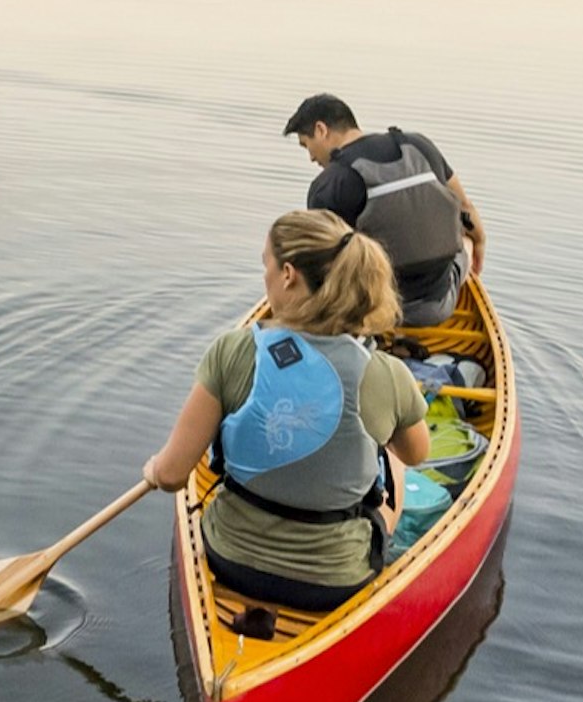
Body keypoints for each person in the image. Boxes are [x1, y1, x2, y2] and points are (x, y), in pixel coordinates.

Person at [137, 210, 436, 612]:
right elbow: (417, 453)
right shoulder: (385, 373)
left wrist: (154, 469)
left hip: (229, 561)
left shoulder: (233, 350)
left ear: (289, 274)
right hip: (335, 581)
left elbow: (174, 475)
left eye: (266, 264)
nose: (265, 275)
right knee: (394, 460)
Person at [284, 94, 483, 327]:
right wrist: (479, 243)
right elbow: (465, 206)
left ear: (321, 130)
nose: (310, 158)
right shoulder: (418, 145)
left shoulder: (328, 185)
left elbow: (322, 267)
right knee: (465, 235)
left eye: (306, 145)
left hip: (373, 311)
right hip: (439, 305)